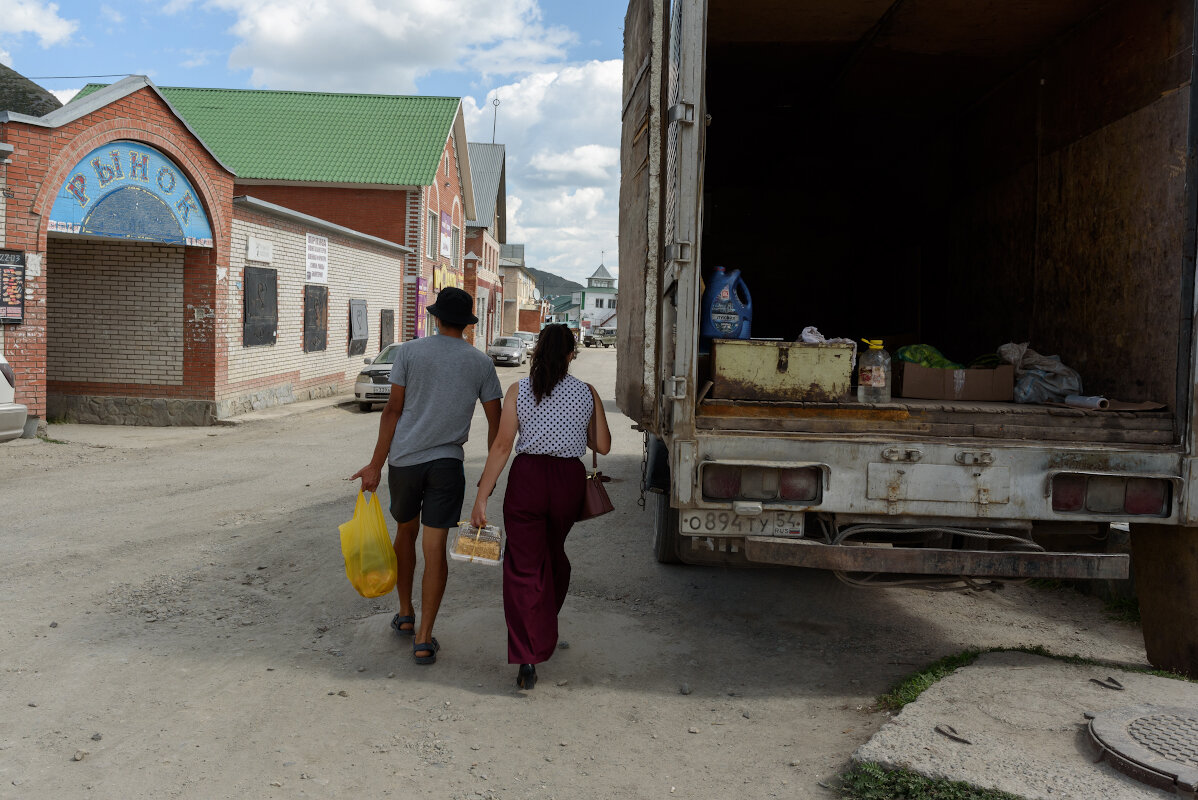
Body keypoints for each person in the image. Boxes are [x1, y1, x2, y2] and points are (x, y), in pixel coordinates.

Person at [352, 286, 503, 666]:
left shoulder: (409, 352)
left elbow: (392, 412)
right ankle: (423, 638)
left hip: (404, 462)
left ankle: (405, 614)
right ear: (468, 324)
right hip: (447, 465)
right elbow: (496, 425)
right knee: (435, 549)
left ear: (436, 318)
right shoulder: (481, 364)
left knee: (406, 532)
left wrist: (375, 465)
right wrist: (489, 477)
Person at [469, 323, 611, 690]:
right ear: (570, 355)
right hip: (567, 483)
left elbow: (501, 447)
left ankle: (527, 655)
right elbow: (604, 445)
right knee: (553, 556)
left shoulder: (519, 390)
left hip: (527, 478)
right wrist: (588, 414)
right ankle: (541, 626)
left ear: (536, 351)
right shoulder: (586, 392)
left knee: (522, 566)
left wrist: (482, 496)